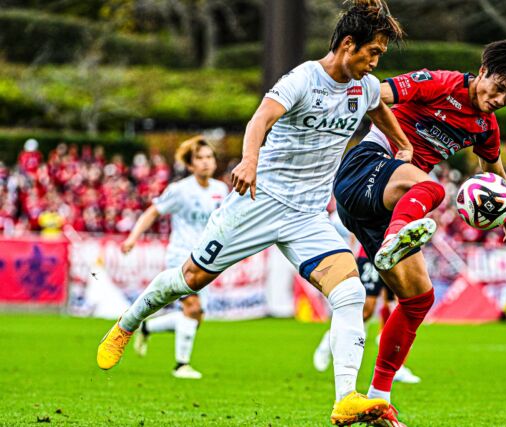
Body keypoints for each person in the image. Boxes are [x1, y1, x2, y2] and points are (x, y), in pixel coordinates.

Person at [97, 1, 410, 425]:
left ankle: (345, 399)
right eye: (371, 52)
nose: (374, 63)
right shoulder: (304, 78)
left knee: (350, 294)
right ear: (348, 44)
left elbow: (380, 111)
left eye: (379, 56)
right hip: (259, 201)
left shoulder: (366, 87)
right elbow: (260, 119)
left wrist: (403, 146)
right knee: (191, 280)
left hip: (308, 215)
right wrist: (249, 161)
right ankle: (127, 324)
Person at [333, 40, 506, 425]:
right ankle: (398, 236)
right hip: (365, 168)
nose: (499, 98)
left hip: (386, 205)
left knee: (418, 300)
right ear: (482, 70)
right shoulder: (440, 83)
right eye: (497, 87)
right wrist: (395, 139)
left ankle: (379, 401)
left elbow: (494, 176)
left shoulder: (485, 127)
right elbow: (375, 92)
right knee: (432, 189)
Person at [120, 136, 228, 379]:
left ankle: (147, 326)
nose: (205, 162)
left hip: (208, 259)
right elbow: (152, 212)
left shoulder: (221, 191)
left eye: (209, 157)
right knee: (192, 307)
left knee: (196, 317)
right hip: (181, 256)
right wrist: (132, 238)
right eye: (199, 158)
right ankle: (181, 365)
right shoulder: (180, 190)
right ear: (190, 165)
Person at [313, 244, 421, 384]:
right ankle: (330, 338)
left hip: (397, 252)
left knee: (398, 303)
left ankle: (398, 366)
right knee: (366, 311)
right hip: (372, 251)